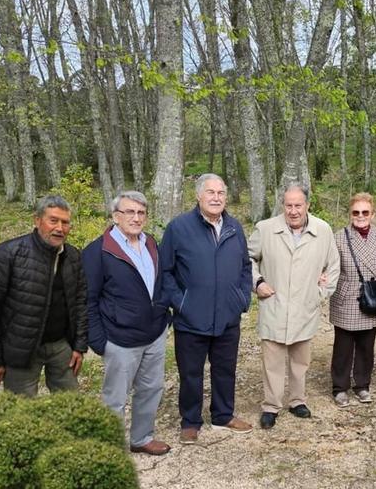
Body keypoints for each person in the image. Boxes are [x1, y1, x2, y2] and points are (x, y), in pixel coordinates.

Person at [160, 174, 254, 443]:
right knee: (190, 373)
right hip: (191, 318)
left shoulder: (234, 227)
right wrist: (181, 303)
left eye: (221, 193)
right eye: (210, 192)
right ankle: (190, 421)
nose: (216, 198)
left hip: (227, 316)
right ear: (198, 196)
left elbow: (245, 267)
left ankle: (223, 414)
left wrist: (240, 298)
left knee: (225, 369)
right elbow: (166, 271)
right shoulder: (179, 228)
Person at [83, 191, 171, 456]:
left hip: (154, 333)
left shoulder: (151, 243)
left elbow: (161, 282)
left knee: (151, 389)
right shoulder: (98, 250)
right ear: (115, 216)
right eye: (129, 212)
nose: (136, 218)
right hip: (119, 338)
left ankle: (142, 438)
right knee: (115, 398)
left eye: (141, 213)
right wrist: (99, 341)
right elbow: (88, 299)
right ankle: (112, 447)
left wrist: (165, 316)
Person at [0, 195, 87, 397]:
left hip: (61, 347)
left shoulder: (73, 256)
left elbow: (80, 302)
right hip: (20, 349)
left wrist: (79, 346)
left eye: (65, 222)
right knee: (21, 413)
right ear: (37, 220)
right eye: (53, 220)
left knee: (71, 405)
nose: (60, 228)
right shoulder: (8, 254)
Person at [249, 184, 340, 429]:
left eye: (298, 205)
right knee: (273, 359)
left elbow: (333, 266)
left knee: (301, 360)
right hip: (274, 304)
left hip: (305, 306)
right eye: (288, 205)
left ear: (307, 205)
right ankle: (271, 405)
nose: (293, 211)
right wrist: (257, 282)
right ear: (283, 206)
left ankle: (298, 400)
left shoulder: (323, 230)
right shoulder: (265, 229)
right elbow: (246, 259)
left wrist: (319, 293)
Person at [329, 193, 376, 407]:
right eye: (356, 212)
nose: (361, 216)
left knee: (367, 344)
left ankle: (362, 385)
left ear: (373, 214)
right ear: (350, 214)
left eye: (365, 212)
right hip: (347, 297)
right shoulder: (338, 237)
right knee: (343, 346)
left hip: (372, 297)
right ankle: (340, 387)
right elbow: (327, 263)